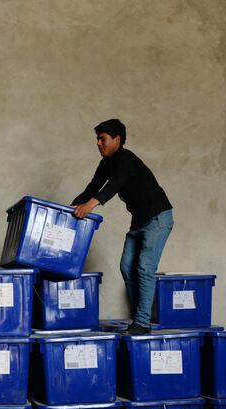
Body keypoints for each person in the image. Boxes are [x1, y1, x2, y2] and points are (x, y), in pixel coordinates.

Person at [71, 119, 173, 335]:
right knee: (127, 267)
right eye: (97, 139)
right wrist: (68, 208)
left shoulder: (125, 158)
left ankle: (142, 323)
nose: (99, 143)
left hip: (157, 218)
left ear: (117, 140)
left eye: (103, 139)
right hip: (139, 221)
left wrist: (89, 206)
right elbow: (92, 188)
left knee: (144, 268)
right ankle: (140, 318)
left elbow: (114, 184)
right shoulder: (106, 163)